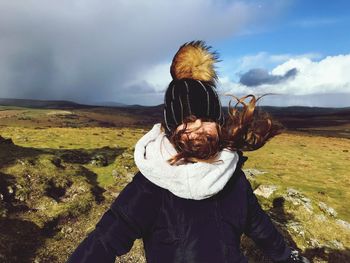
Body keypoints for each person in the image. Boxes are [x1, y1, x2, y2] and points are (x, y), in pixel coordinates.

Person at [67, 41, 310, 263]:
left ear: (218, 123)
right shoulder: (151, 185)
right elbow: (105, 241)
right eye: (187, 120)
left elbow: (259, 225)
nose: (197, 129)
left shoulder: (232, 176)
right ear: (171, 126)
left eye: (205, 119)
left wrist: (289, 258)